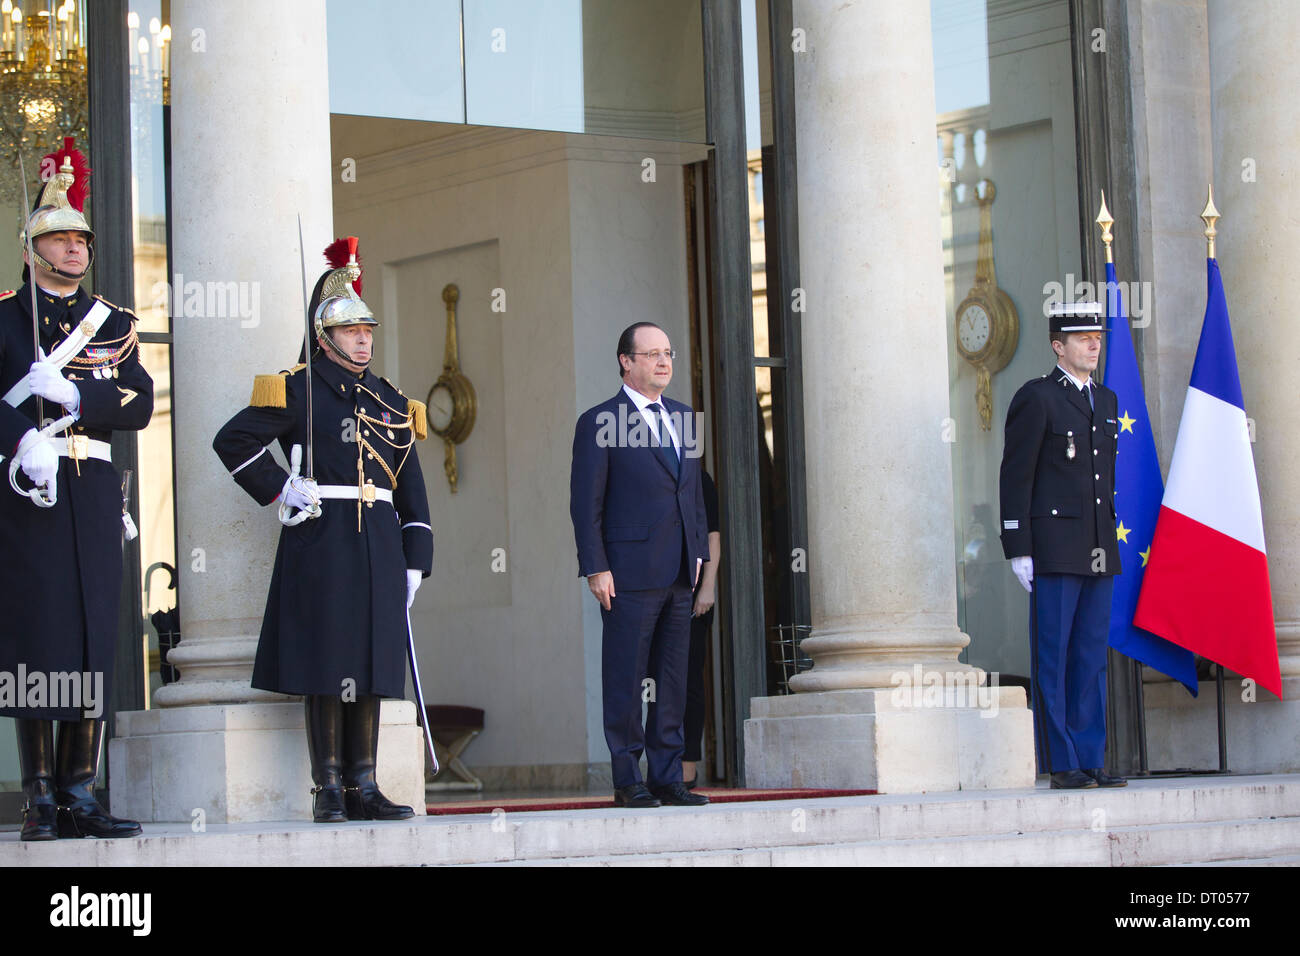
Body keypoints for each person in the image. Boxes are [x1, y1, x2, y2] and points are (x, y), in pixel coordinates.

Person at [213, 237, 433, 823]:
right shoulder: (296, 390)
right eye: (352, 331)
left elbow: (410, 486)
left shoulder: (391, 400)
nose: (363, 338)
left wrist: (417, 557)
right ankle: (329, 787)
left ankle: (365, 783)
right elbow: (232, 441)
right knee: (330, 663)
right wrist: (283, 488)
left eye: (368, 331)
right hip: (324, 537)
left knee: (371, 664)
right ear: (324, 337)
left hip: (380, 543)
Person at [0, 138, 154, 840]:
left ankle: (81, 792)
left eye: (80, 239)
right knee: (39, 638)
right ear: (33, 247)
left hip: (90, 486)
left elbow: (140, 404)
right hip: (28, 491)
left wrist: (80, 399)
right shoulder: (5, 317)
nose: (73, 248)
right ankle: (40, 798)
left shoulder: (113, 322)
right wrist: (17, 442)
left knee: (93, 634)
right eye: (59, 238)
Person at [570, 322, 710, 808]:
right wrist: (595, 566)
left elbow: (691, 495)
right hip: (627, 571)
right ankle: (628, 778)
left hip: (678, 570)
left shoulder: (685, 418)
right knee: (627, 678)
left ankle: (668, 775)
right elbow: (585, 503)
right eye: (651, 354)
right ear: (626, 361)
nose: (663, 362)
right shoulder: (599, 421)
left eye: (667, 353)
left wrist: (699, 554)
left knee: (673, 677)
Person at [998, 302, 1125, 790]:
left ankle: (1090, 755)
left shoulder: (1107, 400)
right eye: (1082, 338)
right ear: (1058, 346)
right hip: (1052, 546)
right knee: (1053, 656)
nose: (1094, 344)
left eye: (1097, 336)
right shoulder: (1038, 398)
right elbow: (1016, 474)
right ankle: (1062, 762)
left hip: (1096, 544)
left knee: (1090, 655)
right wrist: (1018, 544)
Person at [682, 468, 720, 788]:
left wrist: (707, 587)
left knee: (690, 680)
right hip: (659, 594)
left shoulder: (699, 478)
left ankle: (687, 766)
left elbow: (712, 536)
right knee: (657, 684)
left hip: (695, 597)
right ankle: (662, 761)